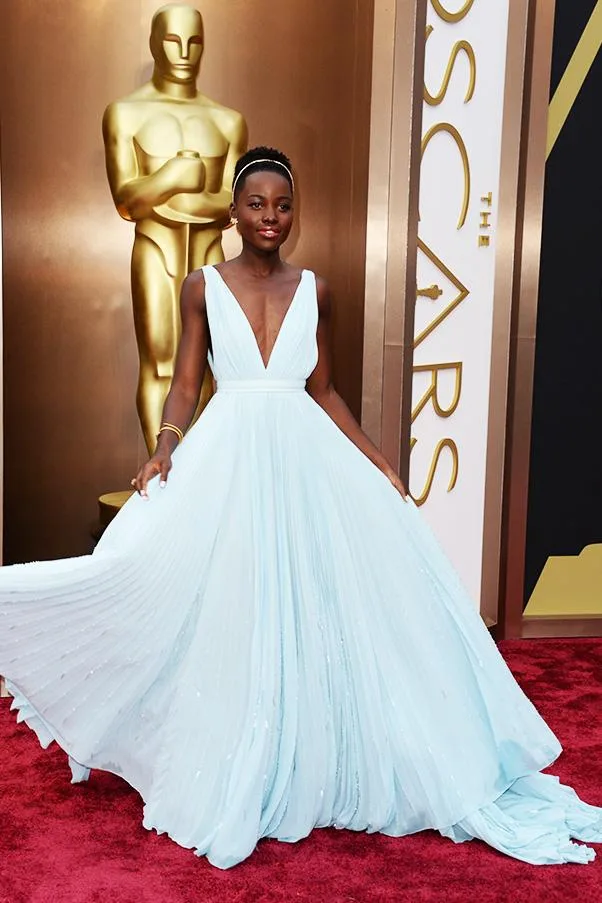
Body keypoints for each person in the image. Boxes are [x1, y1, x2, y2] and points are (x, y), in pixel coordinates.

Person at [1, 147, 601, 870]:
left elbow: (324, 392)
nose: (270, 217)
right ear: (233, 211)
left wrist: (375, 459)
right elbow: (186, 384)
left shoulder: (317, 288)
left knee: (316, 600)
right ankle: (230, 745)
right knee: (216, 597)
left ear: (294, 212)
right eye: (256, 204)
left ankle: (310, 749)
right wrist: (164, 446)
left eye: (282, 205)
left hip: (303, 457)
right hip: (228, 459)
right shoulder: (201, 287)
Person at [103, 3, 247, 450]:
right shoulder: (125, 114)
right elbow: (126, 200)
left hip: (209, 252)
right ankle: (161, 474)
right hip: (155, 248)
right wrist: (171, 179)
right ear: (153, 43)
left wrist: (165, 194)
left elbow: (233, 206)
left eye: (194, 41)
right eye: (172, 40)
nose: (184, 52)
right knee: (161, 363)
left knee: (207, 366)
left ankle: (195, 479)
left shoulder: (227, 121)